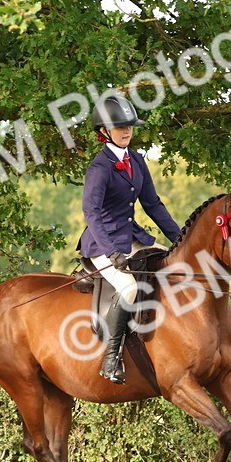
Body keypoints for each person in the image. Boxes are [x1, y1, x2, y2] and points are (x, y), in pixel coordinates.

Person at [77, 95, 183, 384]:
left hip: (132, 235)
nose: (127, 131)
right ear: (104, 131)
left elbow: (153, 204)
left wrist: (179, 239)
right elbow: (92, 213)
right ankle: (111, 359)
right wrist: (111, 252)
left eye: (129, 126)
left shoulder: (135, 160)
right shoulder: (100, 167)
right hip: (101, 242)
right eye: (120, 127)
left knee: (171, 263)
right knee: (129, 287)